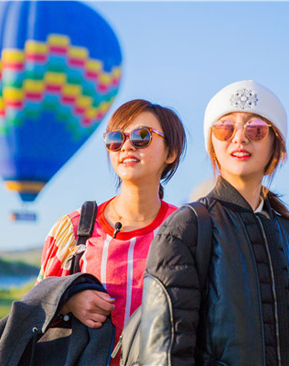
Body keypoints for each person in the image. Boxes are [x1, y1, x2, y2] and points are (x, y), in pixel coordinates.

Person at [139, 80, 289, 365]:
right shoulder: (187, 227)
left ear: (276, 144)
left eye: (256, 130)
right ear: (212, 143)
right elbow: (164, 352)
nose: (239, 138)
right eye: (225, 128)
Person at [38, 99, 186, 365]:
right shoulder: (71, 230)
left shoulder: (189, 230)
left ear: (171, 152)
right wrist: (69, 300)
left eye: (142, 136)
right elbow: (35, 308)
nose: (127, 146)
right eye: (116, 139)